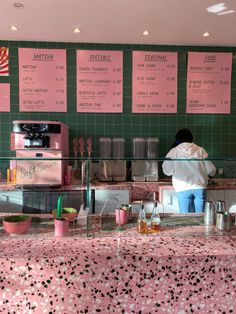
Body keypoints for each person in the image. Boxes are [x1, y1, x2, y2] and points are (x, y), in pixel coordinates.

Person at [162, 128, 216, 213]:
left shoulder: (173, 152)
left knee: (186, 218)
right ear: (191, 138)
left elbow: (167, 171)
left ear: (177, 140)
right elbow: (210, 170)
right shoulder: (200, 150)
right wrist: (211, 174)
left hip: (182, 188)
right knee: (200, 217)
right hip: (199, 187)